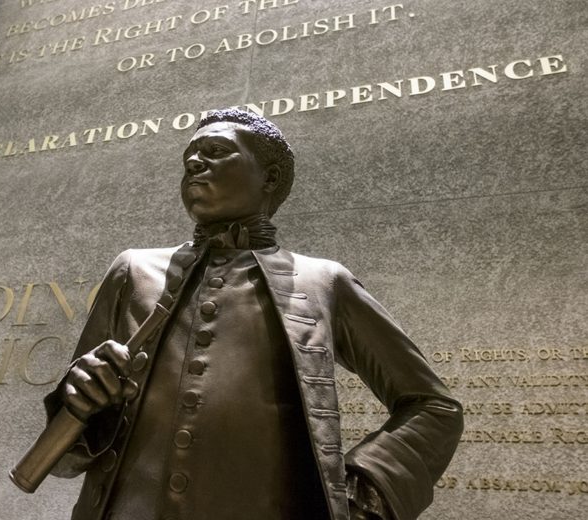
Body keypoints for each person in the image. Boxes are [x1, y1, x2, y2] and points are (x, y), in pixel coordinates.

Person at [44, 108, 463, 520]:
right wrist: (81, 396)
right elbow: (65, 456)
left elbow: (433, 407)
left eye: (216, 150)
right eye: (189, 155)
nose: (193, 161)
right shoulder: (133, 271)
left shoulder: (323, 281)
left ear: (270, 178)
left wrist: (357, 494)